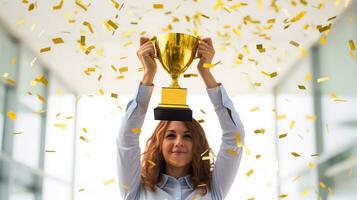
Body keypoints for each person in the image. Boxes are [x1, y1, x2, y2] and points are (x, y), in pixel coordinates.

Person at [116, 36, 245, 200]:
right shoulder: (136, 191)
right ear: (159, 143)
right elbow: (126, 139)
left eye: (188, 136)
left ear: (197, 144)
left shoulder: (213, 189)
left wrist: (205, 71)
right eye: (170, 135)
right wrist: (148, 74)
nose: (179, 142)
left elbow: (235, 137)